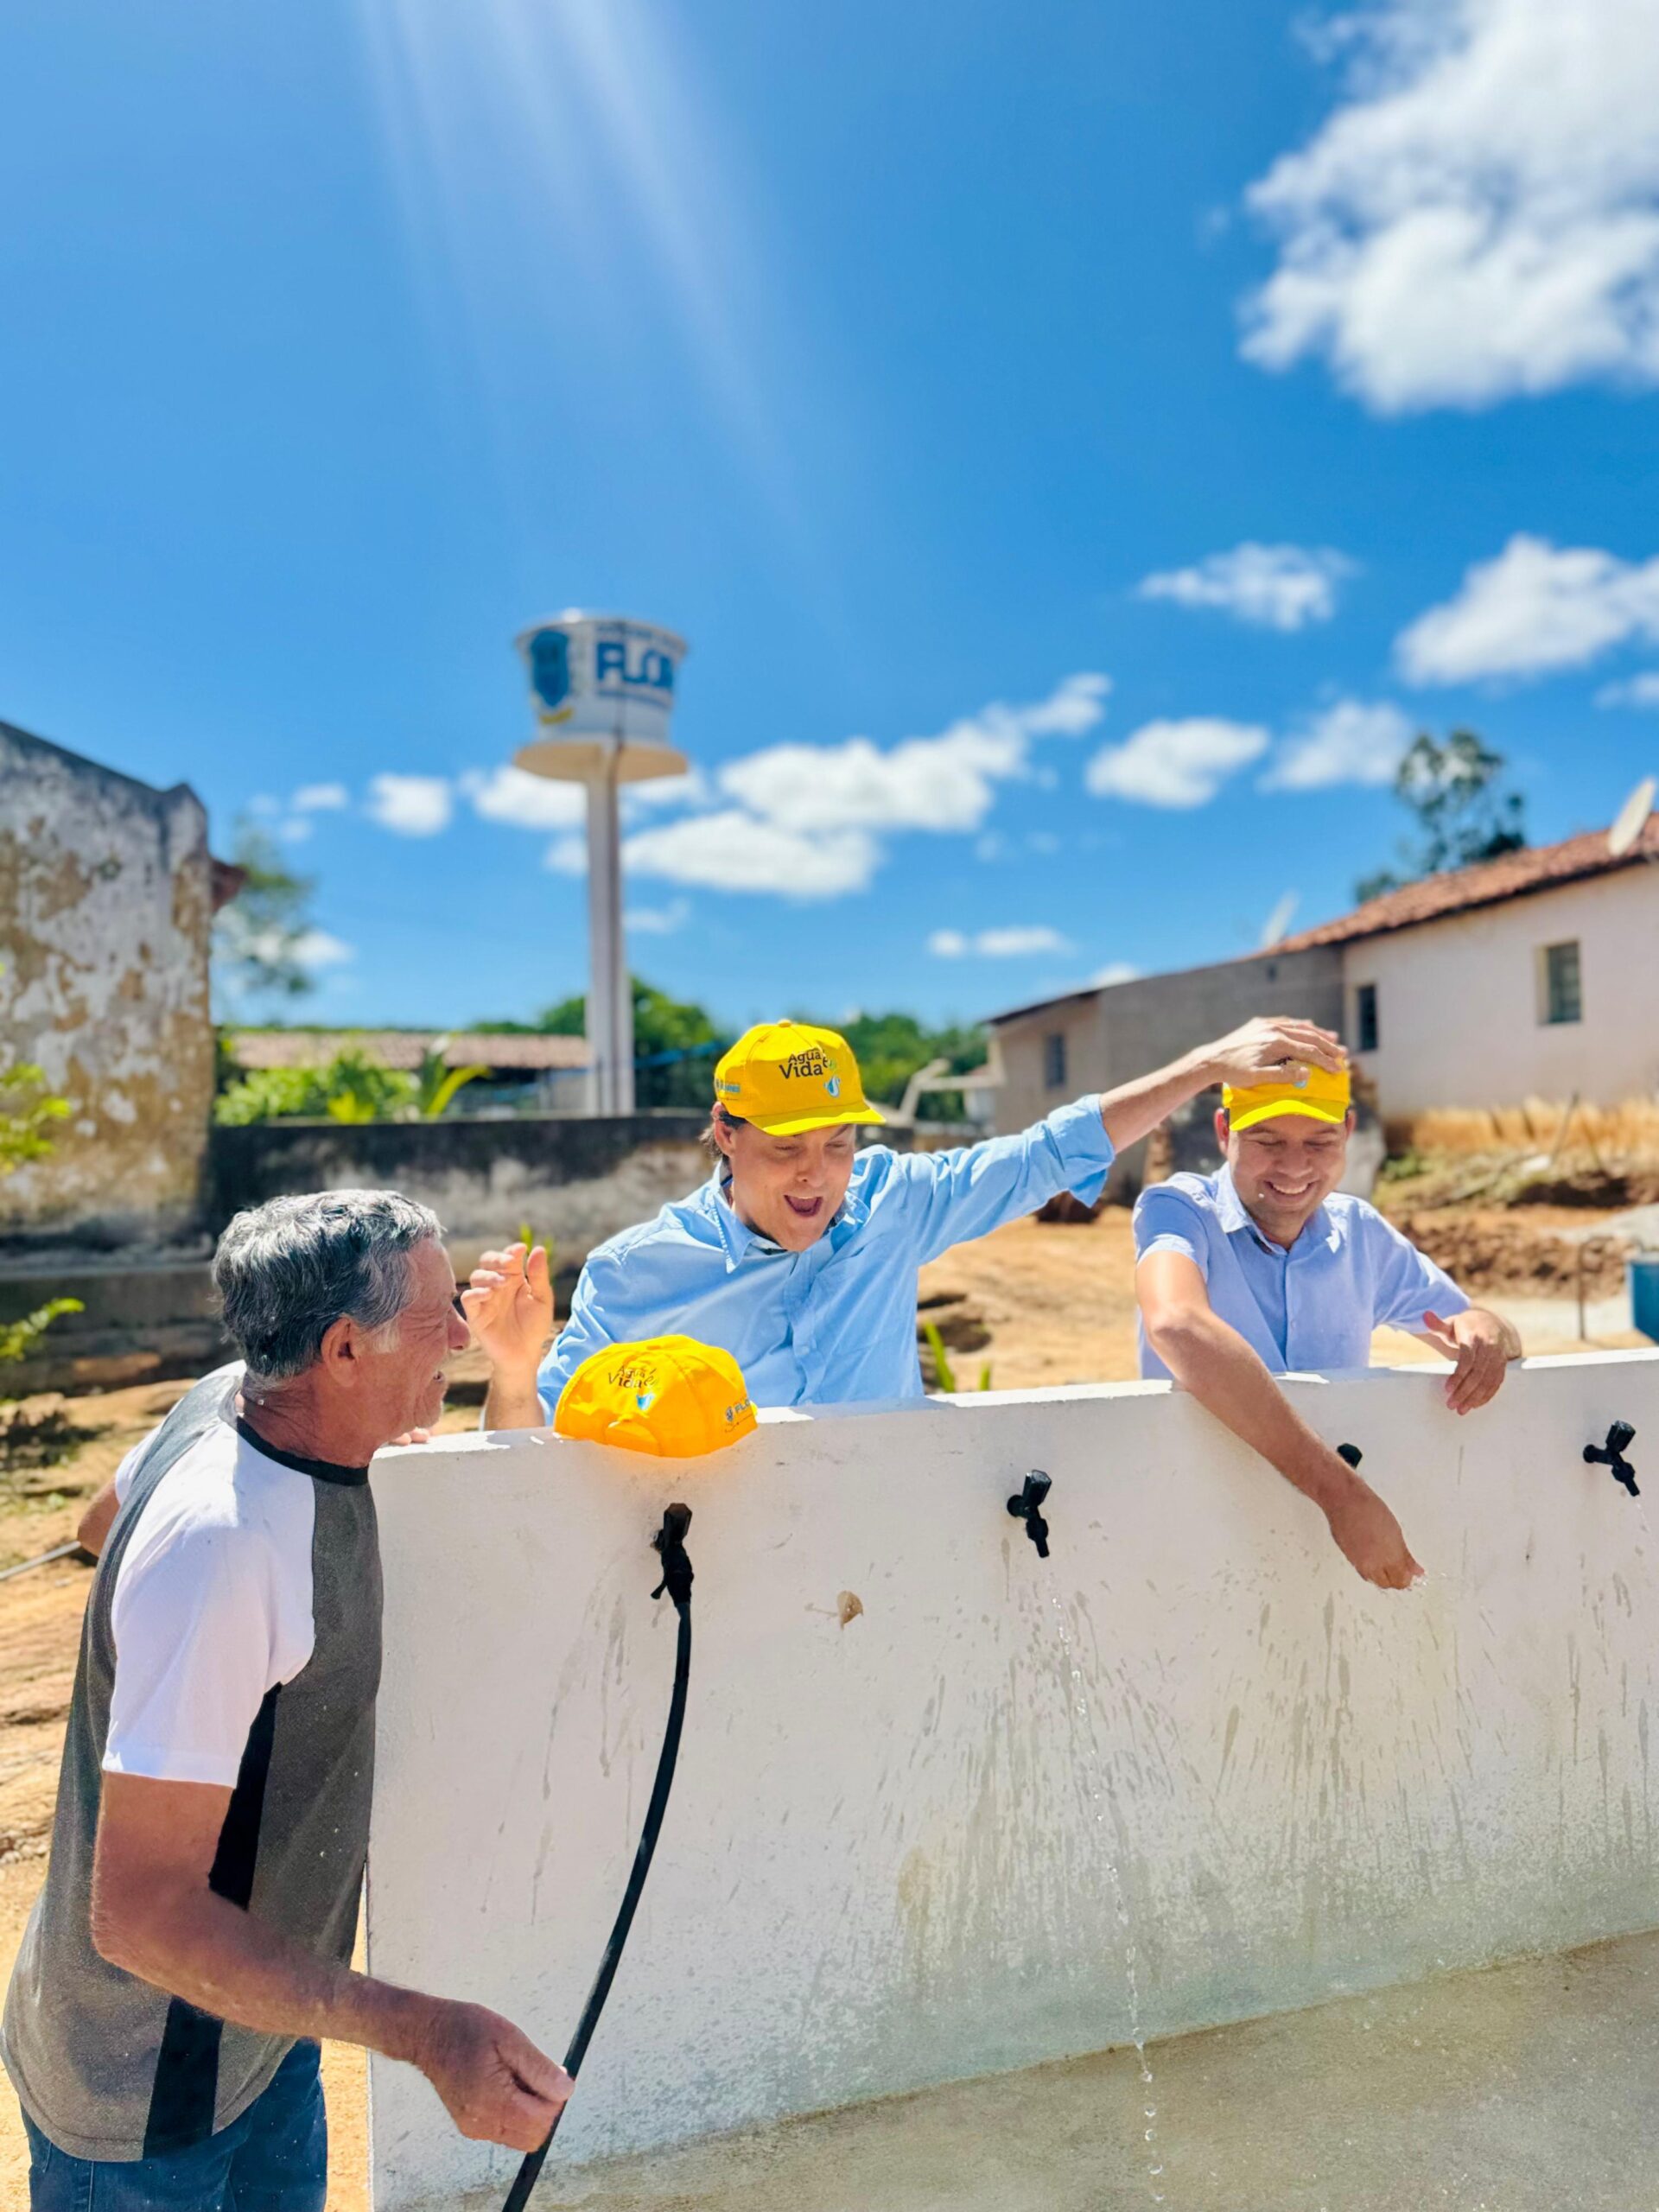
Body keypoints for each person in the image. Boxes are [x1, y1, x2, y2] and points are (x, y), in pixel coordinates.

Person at [3, 1191, 571, 2212]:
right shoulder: (226, 1548)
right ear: (344, 1348)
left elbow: (98, 1523)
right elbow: (141, 1916)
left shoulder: (231, 1395)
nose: (460, 1336)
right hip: (150, 2090)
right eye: (440, 1314)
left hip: (262, 2022)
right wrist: (430, 2034)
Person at [467, 1014, 1351, 1427]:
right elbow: (532, 1448)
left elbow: (1047, 1152)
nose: (817, 1176)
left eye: (839, 1144)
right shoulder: (635, 1272)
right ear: (725, 1135)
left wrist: (1202, 1065)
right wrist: (511, 1370)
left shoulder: (891, 1201)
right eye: (786, 1149)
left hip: (889, 1565)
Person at [1134, 1060, 1520, 1592]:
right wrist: (1341, 1496)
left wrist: (1489, 1330)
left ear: (1348, 1132)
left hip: (1322, 1553)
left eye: (1319, 1142)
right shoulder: (1177, 1210)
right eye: (1268, 1140)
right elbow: (1177, 1324)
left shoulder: (1360, 1233)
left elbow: (1465, 1325)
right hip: (1198, 1537)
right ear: (1225, 1131)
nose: (1295, 1167)